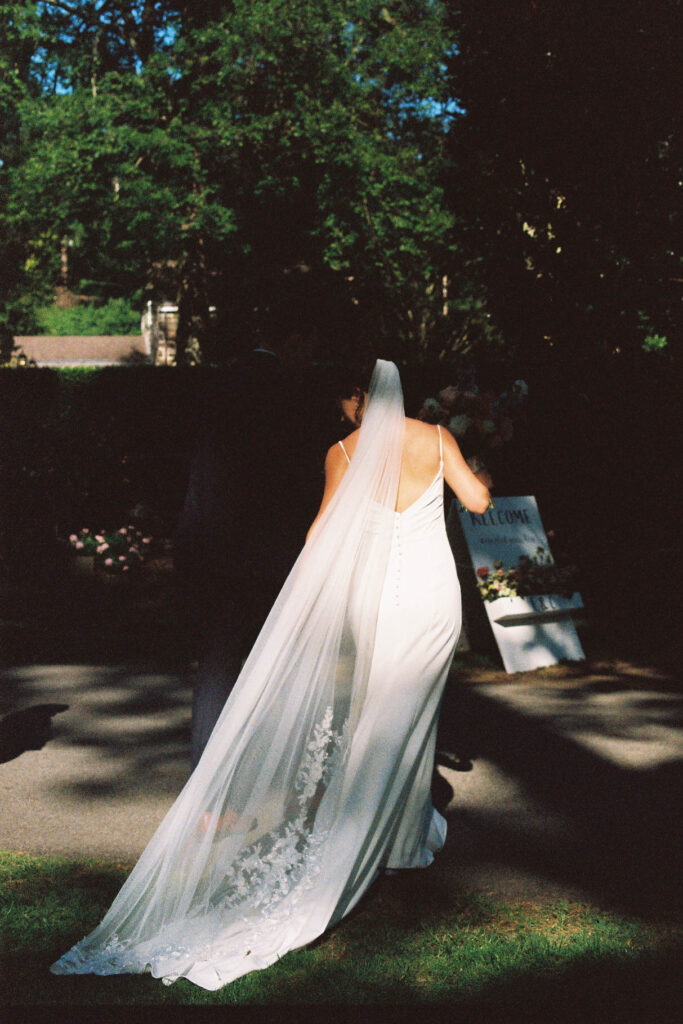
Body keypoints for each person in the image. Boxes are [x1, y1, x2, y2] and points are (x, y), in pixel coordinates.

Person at [50, 359, 491, 990]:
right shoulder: (437, 439)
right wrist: (480, 477)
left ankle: (384, 832)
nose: (339, 412)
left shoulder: (344, 451)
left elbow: (319, 533)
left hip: (373, 604)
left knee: (371, 713)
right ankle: (397, 842)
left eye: (343, 400)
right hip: (430, 598)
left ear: (359, 397)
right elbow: (477, 502)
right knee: (415, 713)